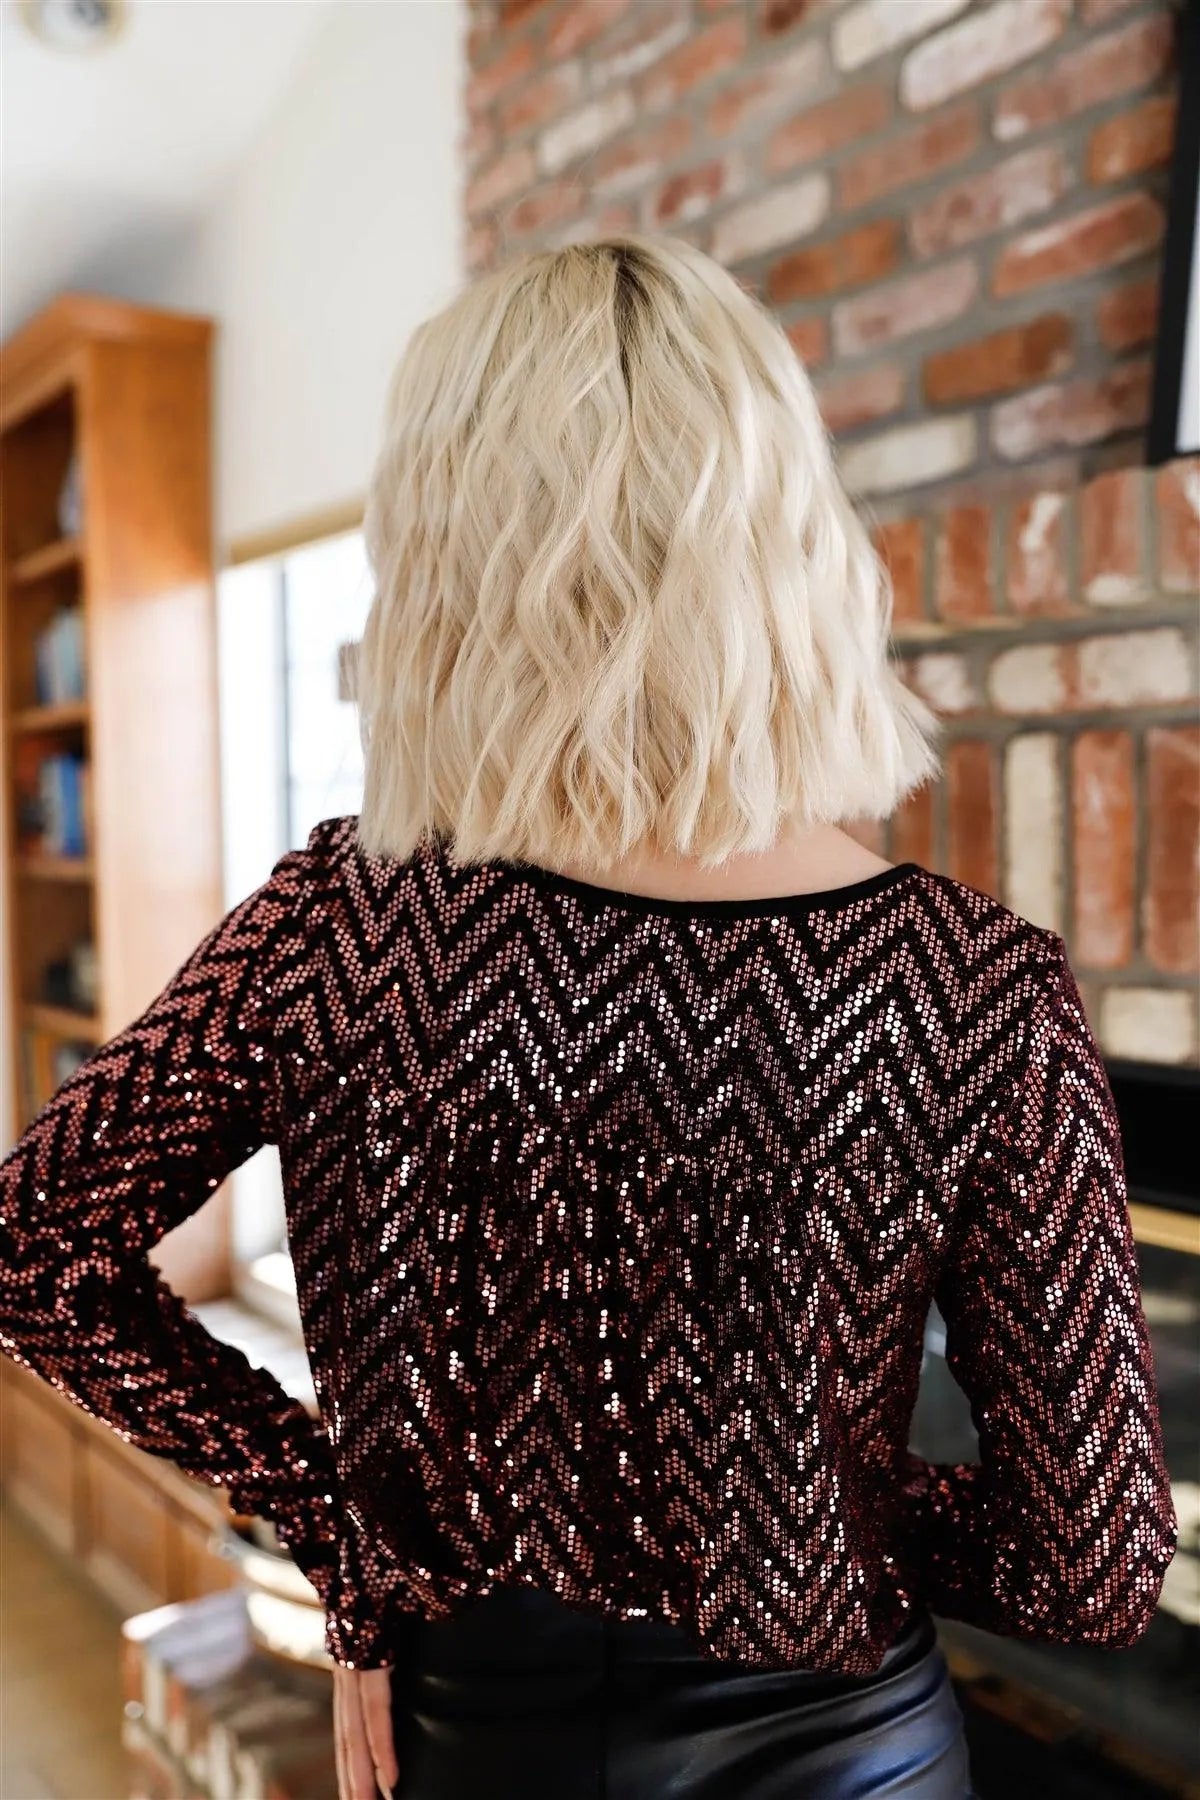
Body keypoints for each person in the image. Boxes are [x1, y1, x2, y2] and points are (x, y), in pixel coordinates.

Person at [0, 233, 1177, 1800]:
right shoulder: (975, 988)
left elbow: (35, 1250)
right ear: (788, 543)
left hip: (473, 1745)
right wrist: (797, 1502)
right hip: (856, 1757)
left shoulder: (340, 925)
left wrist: (344, 1521)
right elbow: (1091, 1569)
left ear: (444, 554)